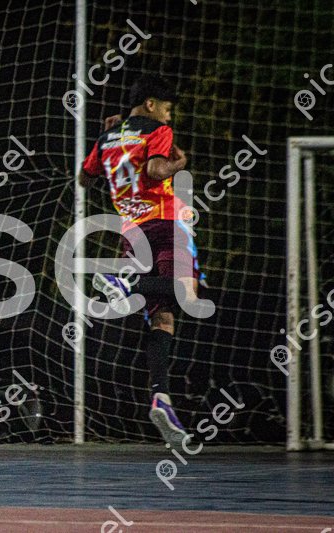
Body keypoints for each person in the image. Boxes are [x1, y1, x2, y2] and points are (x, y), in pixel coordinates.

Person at [78, 75, 200, 447]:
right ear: (150, 104)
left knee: (162, 316)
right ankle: (125, 283)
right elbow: (156, 170)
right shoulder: (158, 130)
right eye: (166, 108)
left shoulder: (107, 136)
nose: (168, 115)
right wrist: (181, 163)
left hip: (131, 231)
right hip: (165, 223)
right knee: (188, 295)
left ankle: (161, 397)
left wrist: (111, 138)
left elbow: (84, 178)